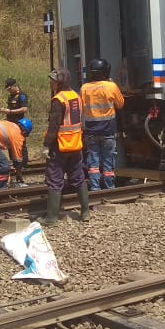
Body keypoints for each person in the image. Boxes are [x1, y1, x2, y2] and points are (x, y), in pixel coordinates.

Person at [42, 67, 90, 224]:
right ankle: (85, 213)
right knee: (79, 177)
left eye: (53, 81)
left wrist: (46, 145)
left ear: (60, 82)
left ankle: (51, 218)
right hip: (76, 144)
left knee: (55, 180)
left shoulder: (58, 100)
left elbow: (54, 126)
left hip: (60, 146)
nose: (51, 83)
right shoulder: (76, 96)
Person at [80, 58, 125, 190]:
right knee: (108, 160)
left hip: (90, 131)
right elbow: (120, 104)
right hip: (108, 130)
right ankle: (109, 187)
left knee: (93, 161)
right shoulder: (111, 86)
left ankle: (95, 188)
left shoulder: (84, 88)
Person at [0, 78, 30, 167]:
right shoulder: (10, 96)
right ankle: (14, 162)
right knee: (10, 142)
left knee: (21, 143)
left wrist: (9, 111)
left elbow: (24, 109)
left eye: (10, 89)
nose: (9, 91)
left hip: (19, 123)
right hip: (10, 123)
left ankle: (23, 163)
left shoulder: (22, 96)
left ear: (14, 86)